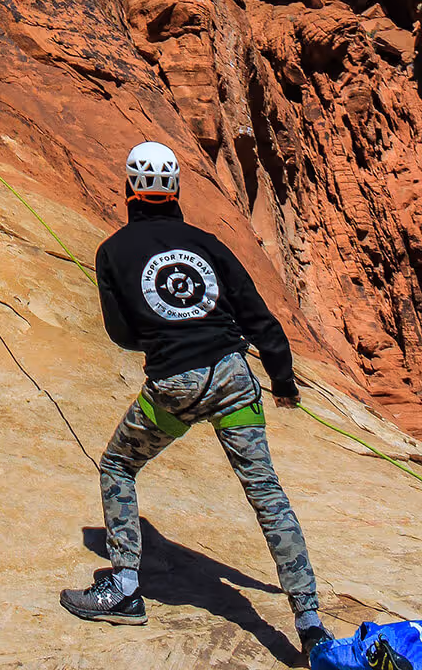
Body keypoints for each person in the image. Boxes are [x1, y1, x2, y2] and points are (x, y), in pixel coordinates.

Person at [60, 142, 331, 663]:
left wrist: (162, 338)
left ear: (129, 189)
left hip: (174, 386)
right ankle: (311, 624)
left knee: (118, 465)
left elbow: (121, 333)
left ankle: (123, 586)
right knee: (268, 497)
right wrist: (283, 381)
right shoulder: (205, 242)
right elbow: (257, 315)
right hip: (234, 379)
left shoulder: (113, 251)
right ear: (177, 189)